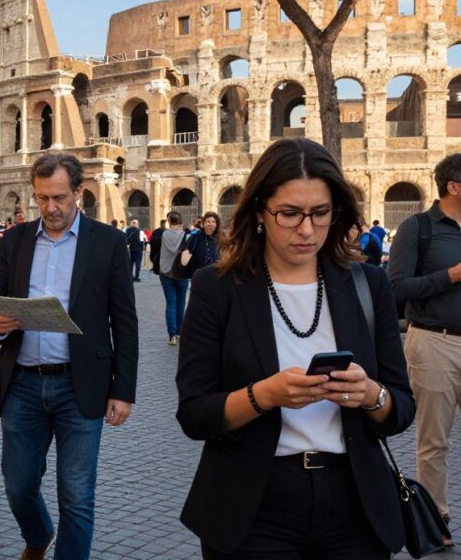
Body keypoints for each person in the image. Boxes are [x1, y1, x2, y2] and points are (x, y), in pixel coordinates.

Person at [177, 138, 414, 559]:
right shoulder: (217, 288)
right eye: (289, 214)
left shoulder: (368, 284)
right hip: (253, 505)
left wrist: (370, 395)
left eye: (320, 214)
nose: (307, 230)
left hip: (355, 501)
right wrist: (263, 396)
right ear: (259, 212)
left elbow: (401, 407)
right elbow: (195, 414)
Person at [0, 152, 139, 560]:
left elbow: (125, 321)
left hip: (81, 386)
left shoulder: (107, 242)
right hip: (22, 382)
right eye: (41, 199)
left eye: (58, 198)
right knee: (18, 486)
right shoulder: (16, 239)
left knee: (76, 496)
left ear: (78, 192)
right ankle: (38, 536)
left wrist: (123, 391)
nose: (50, 208)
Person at [388, 152, 461, 546]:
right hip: (435, 342)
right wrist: (452, 275)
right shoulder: (418, 229)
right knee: (434, 439)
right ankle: (436, 520)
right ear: (454, 186)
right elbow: (395, 288)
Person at [158, 211, 190, 345]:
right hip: (181, 273)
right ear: (180, 221)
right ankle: (179, 332)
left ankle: (171, 336)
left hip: (166, 272)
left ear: (169, 221)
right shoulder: (185, 236)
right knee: (181, 303)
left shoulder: (164, 234)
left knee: (170, 303)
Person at [180, 211, 222, 277]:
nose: (210, 224)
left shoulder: (222, 237)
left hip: (217, 274)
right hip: (199, 275)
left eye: (213, 222)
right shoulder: (195, 236)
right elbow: (186, 251)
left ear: (217, 224)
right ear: (203, 223)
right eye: (208, 221)